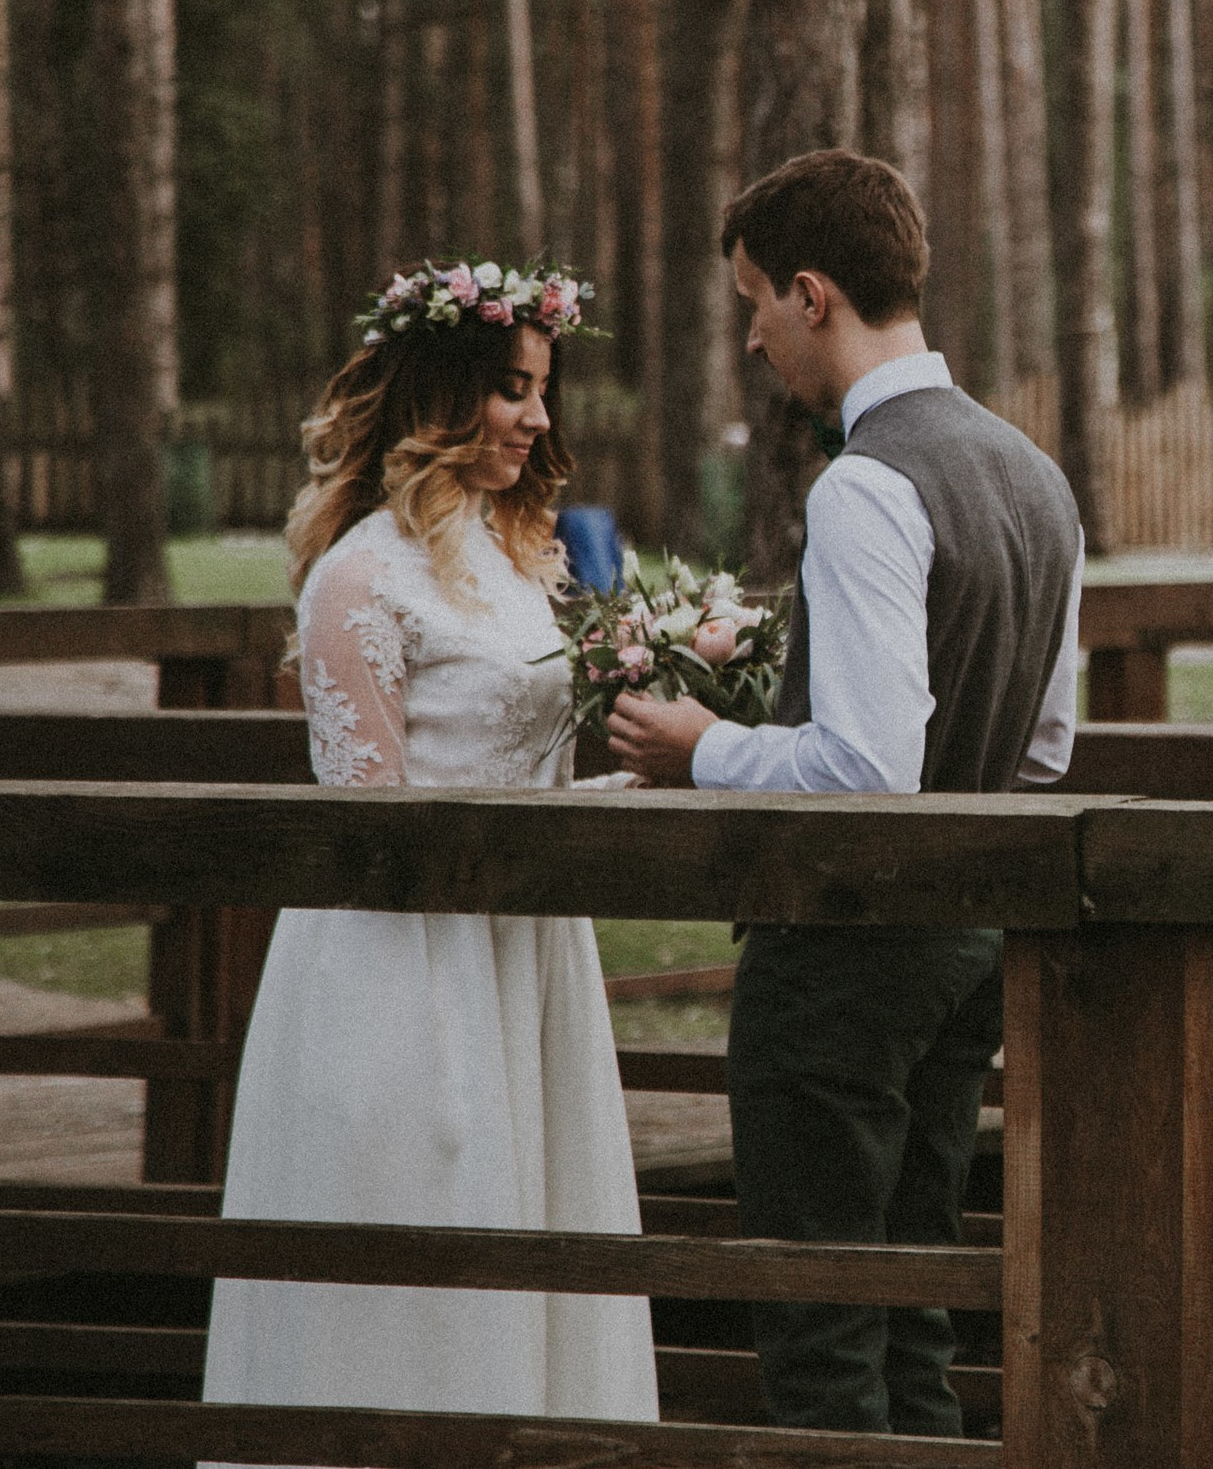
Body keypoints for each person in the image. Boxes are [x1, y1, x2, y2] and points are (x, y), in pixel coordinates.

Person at [609, 150, 1081, 1437]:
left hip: (839, 965)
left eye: (756, 301)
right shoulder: (1035, 476)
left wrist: (702, 744)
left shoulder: (868, 486)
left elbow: (867, 769)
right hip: (967, 946)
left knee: (818, 1320)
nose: (754, 338)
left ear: (814, 294)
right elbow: (1044, 749)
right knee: (915, 1308)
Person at [200, 263, 659, 1450]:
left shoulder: (522, 561)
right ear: (441, 396)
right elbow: (373, 833)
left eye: (542, 390)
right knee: (428, 1235)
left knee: (542, 1243)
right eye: (513, 390)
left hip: (529, 957)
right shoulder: (360, 579)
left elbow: (535, 757)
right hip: (409, 970)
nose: (539, 419)